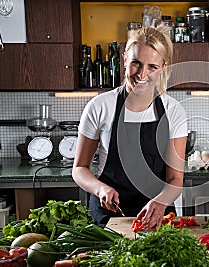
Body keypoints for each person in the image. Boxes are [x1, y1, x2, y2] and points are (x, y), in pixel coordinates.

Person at [72, 26, 188, 229]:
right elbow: (80, 169)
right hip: (108, 216)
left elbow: (175, 178)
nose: (142, 74)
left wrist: (161, 202)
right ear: (125, 59)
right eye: (136, 63)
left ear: (163, 68)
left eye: (152, 66)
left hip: (157, 215)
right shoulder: (99, 106)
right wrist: (100, 189)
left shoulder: (173, 110)